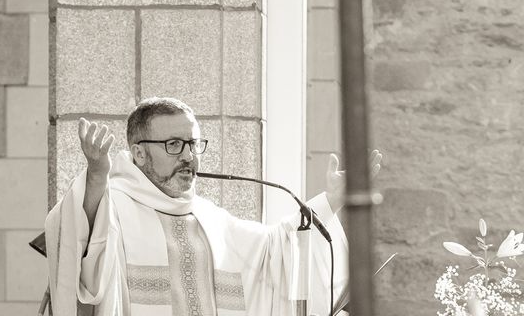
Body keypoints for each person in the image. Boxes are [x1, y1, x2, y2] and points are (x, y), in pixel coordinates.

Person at [45, 97, 380, 316]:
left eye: (193, 144)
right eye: (174, 145)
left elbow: (277, 252)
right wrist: (96, 178)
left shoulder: (210, 219)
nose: (189, 156)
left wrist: (332, 200)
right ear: (139, 153)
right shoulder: (114, 205)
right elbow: (79, 241)